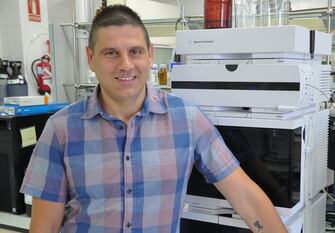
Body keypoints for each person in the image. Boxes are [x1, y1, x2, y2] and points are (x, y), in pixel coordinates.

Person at [20, 5, 287, 233]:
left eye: (135, 51)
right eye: (111, 53)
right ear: (91, 58)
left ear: (149, 53)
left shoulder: (188, 120)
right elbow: (45, 226)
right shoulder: (61, 128)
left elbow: (246, 197)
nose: (125, 64)